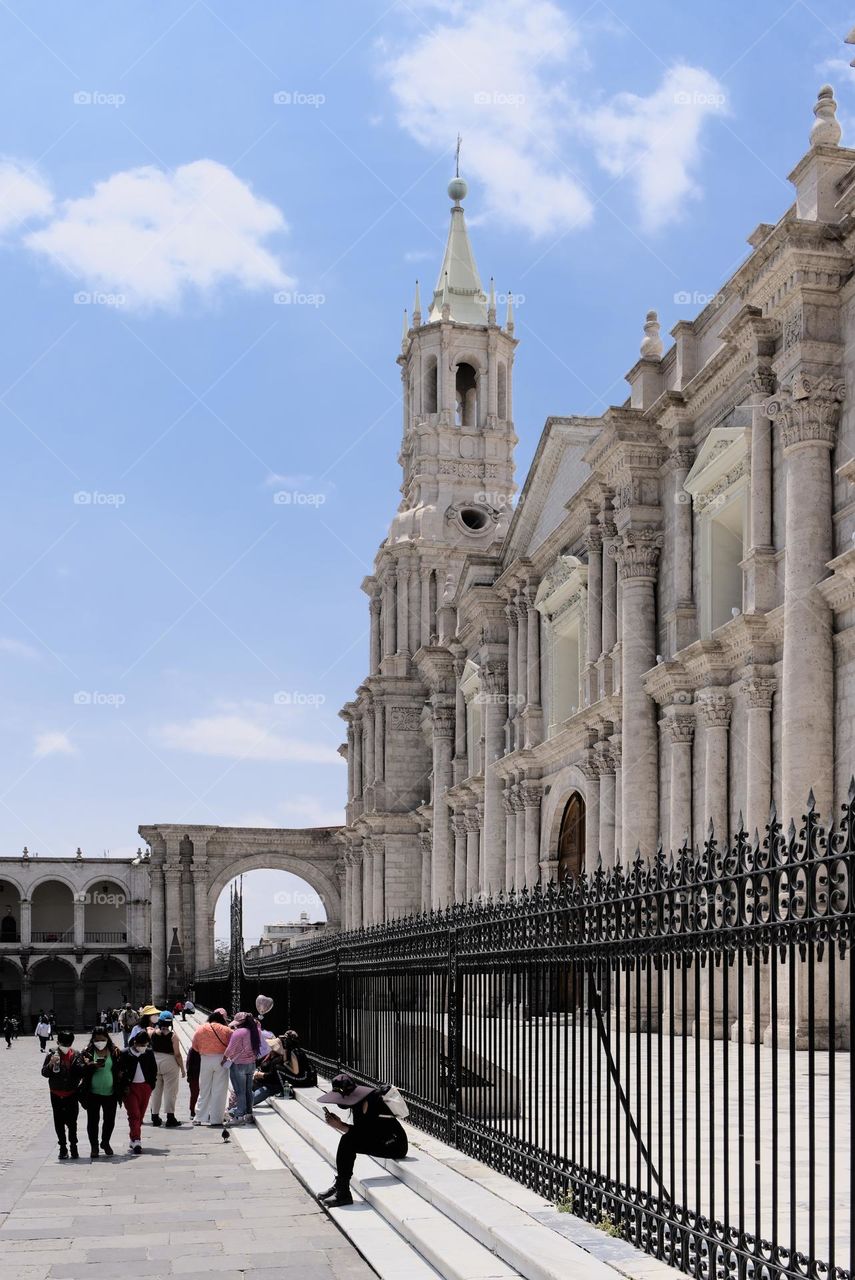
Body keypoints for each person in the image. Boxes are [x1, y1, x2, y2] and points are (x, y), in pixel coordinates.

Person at [316, 1073, 408, 1207]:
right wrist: (341, 1124)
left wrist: (341, 1126)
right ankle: (341, 1185)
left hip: (394, 1144)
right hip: (381, 1140)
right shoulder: (358, 1102)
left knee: (348, 1140)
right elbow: (363, 1132)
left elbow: (368, 1134)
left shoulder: (373, 1101)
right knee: (348, 1139)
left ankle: (343, 1192)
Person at [41, 1029, 84, 1159]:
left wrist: (84, 1065)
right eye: (63, 1044)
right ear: (58, 1042)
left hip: (71, 1093)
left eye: (68, 1044)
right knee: (58, 1122)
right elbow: (44, 1073)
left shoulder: (76, 1054)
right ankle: (63, 1147)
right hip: (56, 1093)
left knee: (72, 1122)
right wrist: (50, 1064)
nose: (65, 1047)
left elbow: (81, 1072)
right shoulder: (52, 1054)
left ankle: (73, 1146)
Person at [80, 1026, 121, 1157]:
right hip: (93, 1092)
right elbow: (81, 1070)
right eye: (97, 1040)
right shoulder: (87, 1052)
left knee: (109, 1120)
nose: (100, 1042)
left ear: (107, 1039)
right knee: (93, 1121)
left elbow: (120, 1068)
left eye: (102, 1039)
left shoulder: (114, 1051)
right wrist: (91, 1065)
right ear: (93, 1040)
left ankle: (105, 1142)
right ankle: (94, 1146)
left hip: (110, 1092)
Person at [116, 1028, 157, 1154]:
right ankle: (137, 1140)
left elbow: (153, 1069)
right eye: (141, 1045)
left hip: (145, 1087)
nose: (143, 1047)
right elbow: (120, 1071)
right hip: (130, 1088)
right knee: (134, 1114)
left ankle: (133, 1137)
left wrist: (151, 1085)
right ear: (135, 1043)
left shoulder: (149, 1053)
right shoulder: (125, 1053)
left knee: (141, 1115)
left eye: (145, 1045)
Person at [190, 1009, 232, 1127]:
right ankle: (216, 1119)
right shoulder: (226, 1030)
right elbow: (232, 1045)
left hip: (205, 1059)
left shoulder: (201, 1028)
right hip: (221, 1059)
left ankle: (198, 1117)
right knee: (219, 1090)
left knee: (204, 1088)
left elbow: (195, 1046)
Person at [222, 1011, 261, 1125]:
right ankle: (248, 1114)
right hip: (251, 1064)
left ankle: (239, 1116)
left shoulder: (239, 1032)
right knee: (248, 1090)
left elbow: (230, 1049)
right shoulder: (255, 1031)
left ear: (240, 1022)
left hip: (239, 1065)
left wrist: (224, 1059)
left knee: (240, 1091)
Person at [149, 1011, 185, 1127]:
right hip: (169, 1062)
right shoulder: (173, 1036)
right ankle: (170, 1117)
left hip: (154, 1061)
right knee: (170, 1091)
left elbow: (147, 1030)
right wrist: (183, 1069)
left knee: (155, 1091)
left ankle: (155, 1117)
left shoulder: (152, 1033)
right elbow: (178, 1054)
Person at [250, 1037, 286, 1106]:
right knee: (243, 1088)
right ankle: (232, 1108)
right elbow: (258, 1062)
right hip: (260, 1082)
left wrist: (260, 1074)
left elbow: (272, 1076)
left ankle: (233, 1112)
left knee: (253, 1098)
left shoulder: (278, 1060)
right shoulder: (269, 1055)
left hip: (271, 1086)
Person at [185, 1045, 200, 1119]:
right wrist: (189, 1076)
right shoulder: (193, 1049)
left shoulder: (206, 1048)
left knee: (197, 1094)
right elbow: (188, 1064)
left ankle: (199, 1111)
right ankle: (192, 1111)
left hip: (203, 1074)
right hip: (194, 1076)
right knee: (195, 1094)